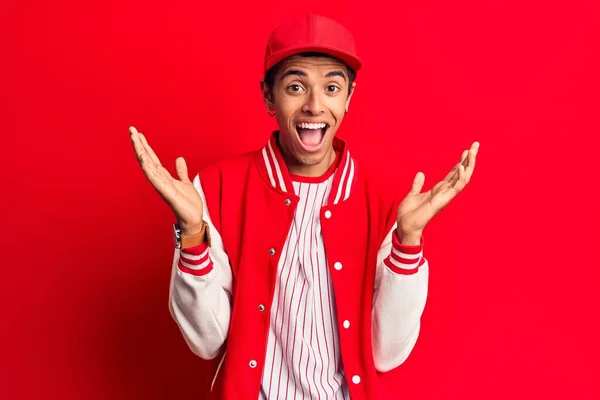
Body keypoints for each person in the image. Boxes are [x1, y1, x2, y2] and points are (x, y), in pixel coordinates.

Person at [130, 13, 479, 400]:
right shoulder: (214, 188)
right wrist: (193, 234)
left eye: (332, 87)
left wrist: (408, 241)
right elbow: (207, 342)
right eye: (296, 86)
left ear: (349, 98)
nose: (315, 105)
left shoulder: (384, 200)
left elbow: (386, 354)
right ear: (268, 96)